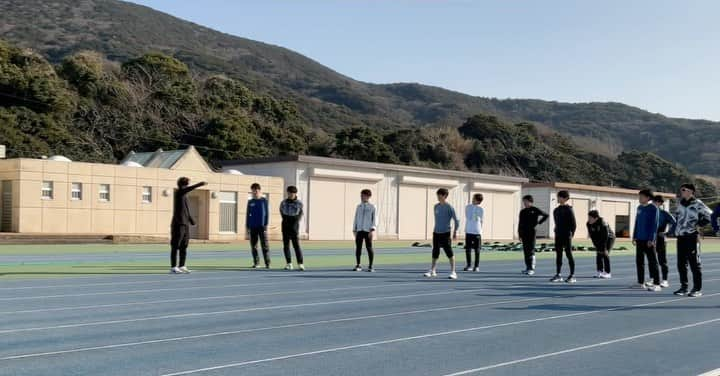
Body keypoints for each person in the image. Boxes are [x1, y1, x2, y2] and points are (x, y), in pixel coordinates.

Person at [673, 183, 713, 297]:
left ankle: (697, 289)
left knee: (694, 263)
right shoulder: (680, 204)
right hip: (681, 236)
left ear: (691, 191)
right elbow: (678, 218)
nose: (681, 191)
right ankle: (684, 287)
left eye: (684, 189)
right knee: (681, 263)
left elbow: (710, 215)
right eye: (681, 189)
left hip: (692, 236)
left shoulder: (698, 203)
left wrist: (699, 225)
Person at [170, 177, 207, 274]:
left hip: (185, 224)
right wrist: (199, 184)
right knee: (175, 246)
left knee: (184, 246)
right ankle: (173, 267)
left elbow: (186, 210)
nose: (189, 185)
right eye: (188, 183)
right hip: (178, 224)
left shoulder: (185, 196)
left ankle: (182, 266)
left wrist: (192, 221)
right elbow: (187, 189)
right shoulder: (179, 192)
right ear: (184, 184)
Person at [424, 188, 460, 280]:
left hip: (446, 233)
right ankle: (432, 270)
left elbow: (456, 220)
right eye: (437, 195)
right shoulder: (436, 206)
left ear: (444, 196)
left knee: (449, 252)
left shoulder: (449, 207)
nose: (438, 197)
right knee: (435, 252)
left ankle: (453, 272)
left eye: (440, 195)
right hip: (436, 233)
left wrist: (455, 232)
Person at [633, 189, 661, 291]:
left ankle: (657, 284)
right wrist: (634, 236)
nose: (639, 198)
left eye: (641, 196)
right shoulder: (639, 208)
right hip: (639, 239)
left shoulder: (653, 208)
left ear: (648, 197)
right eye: (639, 196)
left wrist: (651, 239)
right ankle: (640, 282)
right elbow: (637, 223)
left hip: (649, 240)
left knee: (653, 262)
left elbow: (654, 225)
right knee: (639, 262)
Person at [518, 195, 549, 275]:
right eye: (523, 201)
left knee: (531, 250)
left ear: (530, 201)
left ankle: (532, 268)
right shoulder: (522, 211)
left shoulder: (535, 209)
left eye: (525, 201)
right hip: (524, 233)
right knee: (525, 251)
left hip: (532, 232)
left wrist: (539, 223)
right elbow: (520, 223)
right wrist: (519, 234)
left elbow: (546, 215)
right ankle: (527, 268)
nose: (524, 203)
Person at [551, 190, 576, 283]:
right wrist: (557, 231)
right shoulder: (556, 210)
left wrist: (571, 234)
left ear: (565, 198)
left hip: (566, 235)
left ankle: (572, 275)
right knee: (558, 255)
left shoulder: (569, 209)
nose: (558, 198)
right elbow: (556, 223)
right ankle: (558, 274)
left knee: (569, 254)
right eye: (558, 196)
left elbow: (573, 224)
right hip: (558, 235)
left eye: (559, 197)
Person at [653, 195, 676, 288]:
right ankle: (653, 279)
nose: (653, 203)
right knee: (652, 261)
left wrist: (667, 233)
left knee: (662, 261)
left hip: (661, 239)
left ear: (660, 203)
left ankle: (665, 280)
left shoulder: (664, 213)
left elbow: (675, 223)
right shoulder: (649, 213)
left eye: (654, 202)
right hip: (650, 239)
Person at [280, 186, 304, 271]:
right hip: (285, 226)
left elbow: (299, 215)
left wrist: (294, 221)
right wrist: (286, 220)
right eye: (289, 192)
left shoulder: (299, 203)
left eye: (292, 193)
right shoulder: (283, 203)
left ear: (295, 193)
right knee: (286, 246)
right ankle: (289, 263)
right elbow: (282, 213)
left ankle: (300, 263)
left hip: (294, 227)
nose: (290, 194)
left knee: (296, 246)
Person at [352, 189, 377, 272]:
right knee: (358, 248)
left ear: (368, 196)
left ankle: (371, 266)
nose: (361, 197)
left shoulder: (372, 207)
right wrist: (354, 229)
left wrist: (372, 229)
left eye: (363, 195)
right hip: (359, 230)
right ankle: (358, 265)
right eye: (361, 195)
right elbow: (356, 218)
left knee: (369, 248)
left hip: (368, 231)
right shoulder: (358, 206)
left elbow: (375, 219)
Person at [247, 183, 270, 269]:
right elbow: (248, 215)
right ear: (252, 191)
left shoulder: (264, 201)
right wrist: (248, 226)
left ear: (260, 191)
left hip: (262, 227)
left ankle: (267, 263)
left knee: (265, 245)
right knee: (254, 246)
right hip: (253, 227)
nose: (255, 191)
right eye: (253, 190)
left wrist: (265, 225)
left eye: (257, 190)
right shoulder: (250, 202)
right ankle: (256, 263)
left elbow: (267, 214)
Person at [587, 210, 614, 279]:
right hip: (598, 238)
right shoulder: (588, 224)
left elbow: (605, 236)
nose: (589, 219)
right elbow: (592, 236)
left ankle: (608, 273)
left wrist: (604, 248)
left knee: (605, 254)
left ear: (596, 218)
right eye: (588, 217)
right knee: (598, 254)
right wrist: (596, 245)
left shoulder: (602, 223)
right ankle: (600, 271)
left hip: (609, 238)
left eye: (590, 218)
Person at [464, 193, 484, 272]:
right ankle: (469, 265)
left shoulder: (481, 209)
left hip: (477, 231)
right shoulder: (468, 207)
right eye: (473, 198)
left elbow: (481, 219)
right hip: (469, 230)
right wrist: (474, 210)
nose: (473, 199)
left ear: (478, 201)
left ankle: (476, 266)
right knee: (468, 249)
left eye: (474, 198)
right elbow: (468, 216)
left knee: (477, 249)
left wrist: (480, 230)